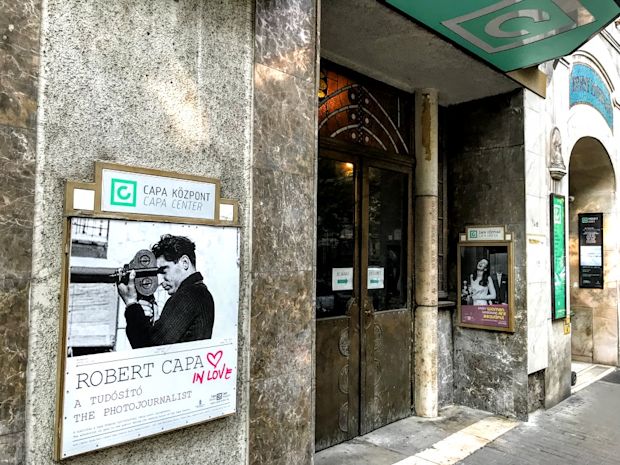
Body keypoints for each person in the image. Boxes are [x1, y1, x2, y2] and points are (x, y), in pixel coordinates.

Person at [117, 234, 214, 348]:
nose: (160, 281)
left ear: (184, 262)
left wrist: (131, 303)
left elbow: (150, 349)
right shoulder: (200, 293)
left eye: (164, 271)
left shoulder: (189, 294)